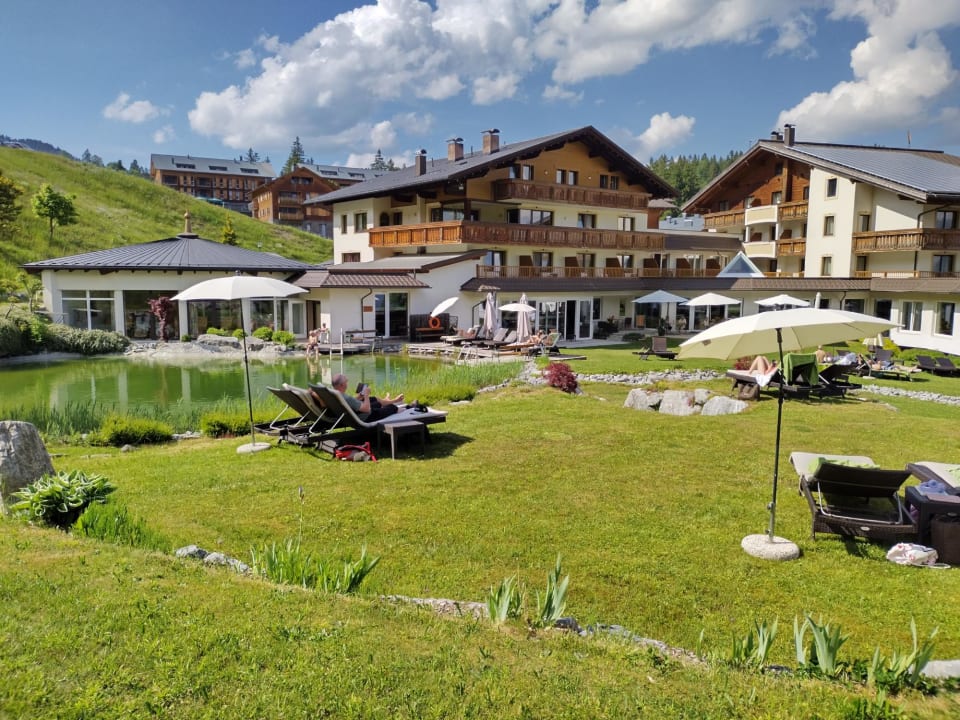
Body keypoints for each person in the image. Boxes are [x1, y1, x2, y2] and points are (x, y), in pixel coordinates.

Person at [330, 373, 404, 422]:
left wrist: (358, 397)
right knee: (392, 407)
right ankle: (405, 408)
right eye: (346, 381)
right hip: (366, 417)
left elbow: (349, 404)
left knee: (376, 401)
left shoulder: (334, 394)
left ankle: (387, 400)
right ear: (342, 385)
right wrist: (366, 395)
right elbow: (367, 409)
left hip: (355, 414)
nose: (347, 383)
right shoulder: (346, 398)